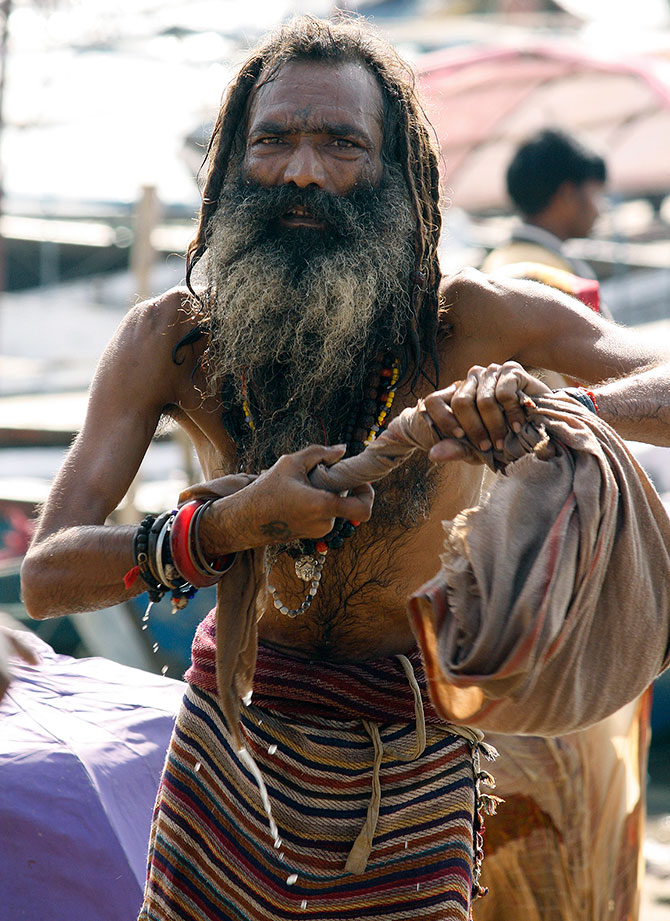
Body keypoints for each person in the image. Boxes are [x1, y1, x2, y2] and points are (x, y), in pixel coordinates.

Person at [19, 17, 670, 921]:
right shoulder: (175, 341)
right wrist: (227, 527)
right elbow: (46, 576)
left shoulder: (469, 320)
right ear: (230, 164)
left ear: (396, 171)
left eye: (340, 144)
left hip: (411, 778)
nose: (301, 171)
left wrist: (556, 408)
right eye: (274, 140)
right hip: (227, 770)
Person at [477, 131, 648, 921]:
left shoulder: (484, 269)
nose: (601, 206)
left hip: (503, 579)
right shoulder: (546, 288)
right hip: (555, 585)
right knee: (565, 815)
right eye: (595, 191)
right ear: (570, 192)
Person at [481, 127, 607, 283]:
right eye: (596, 195)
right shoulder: (552, 276)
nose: (600, 211)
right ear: (567, 195)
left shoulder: (497, 261)